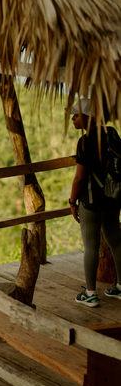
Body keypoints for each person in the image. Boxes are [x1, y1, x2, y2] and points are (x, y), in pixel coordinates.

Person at [68, 97, 121, 307]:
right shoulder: (112, 133)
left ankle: (90, 294)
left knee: (91, 246)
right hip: (114, 196)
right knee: (115, 240)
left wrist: (72, 202)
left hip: (92, 201)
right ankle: (120, 288)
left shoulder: (85, 141)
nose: (72, 118)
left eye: (76, 115)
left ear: (88, 117)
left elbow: (80, 178)